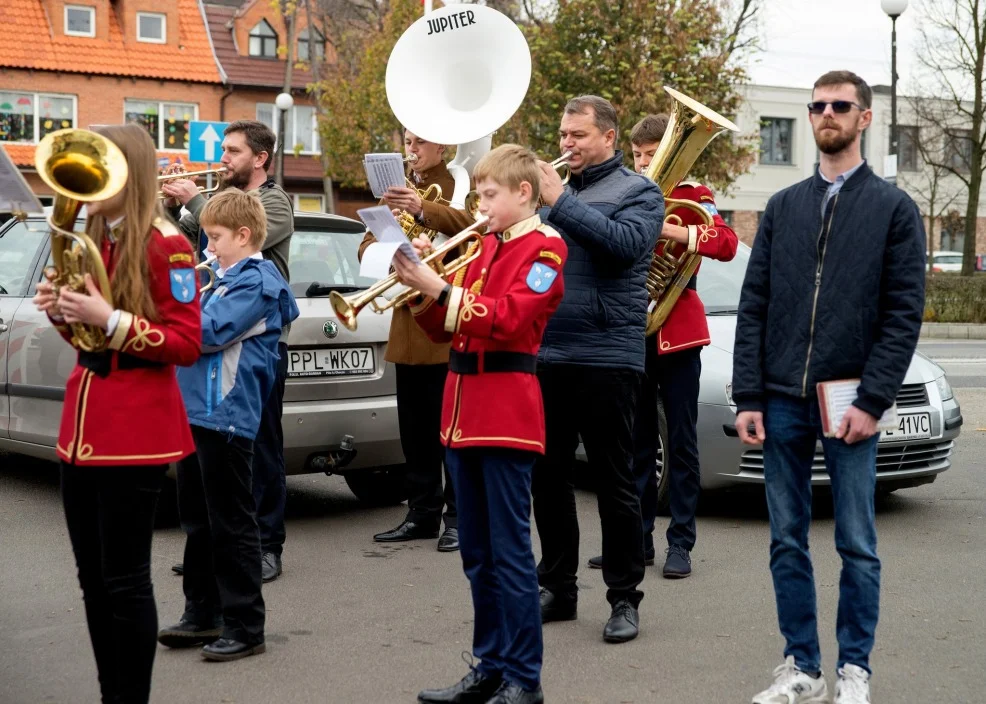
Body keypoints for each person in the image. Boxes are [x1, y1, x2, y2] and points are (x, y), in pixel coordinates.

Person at [732, 70, 926, 704]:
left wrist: (873, 400)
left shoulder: (894, 209)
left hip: (849, 400)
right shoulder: (784, 206)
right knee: (786, 537)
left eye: (840, 105)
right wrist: (749, 396)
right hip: (782, 398)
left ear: (864, 118)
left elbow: (903, 313)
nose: (826, 114)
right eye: (816, 106)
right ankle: (802, 667)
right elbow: (754, 302)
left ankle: (854, 672)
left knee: (856, 542)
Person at [33, 123, 201, 703]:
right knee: (92, 582)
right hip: (82, 425)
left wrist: (108, 318)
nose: (84, 185)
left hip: (136, 430)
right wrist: (62, 310)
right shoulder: (98, 237)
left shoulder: (167, 244)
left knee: (125, 581)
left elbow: (185, 343)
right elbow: (89, 338)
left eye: (98, 170)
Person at [395, 144, 567, 704]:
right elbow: (446, 330)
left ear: (524, 193)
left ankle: (524, 677)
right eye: (478, 196)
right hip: (461, 410)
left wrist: (440, 287)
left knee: (511, 554)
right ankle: (491, 666)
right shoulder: (485, 244)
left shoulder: (546, 247)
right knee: (476, 553)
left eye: (489, 196)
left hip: (506, 412)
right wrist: (421, 286)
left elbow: (511, 319)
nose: (481, 206)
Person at [533, 95, 664, 643]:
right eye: (563, 135)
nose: (567, 144)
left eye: (578, 135)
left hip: (608, 355)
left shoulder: (640, 191)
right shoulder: (547, 201)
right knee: (547, 478)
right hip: (547, 352)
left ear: (608, 137)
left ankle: (623, 598)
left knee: (614, 482)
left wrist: (558, 201)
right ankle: (558, 587)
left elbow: (624, 248)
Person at [586, 114, 738, 578]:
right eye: (638, 156)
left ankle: (681, 543)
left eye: (652, 155)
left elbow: (727, 244)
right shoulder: (623, 192)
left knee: (683, 442)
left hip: (678, 331)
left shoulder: (693, 196)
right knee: (633, 443)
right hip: (631, 329)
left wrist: (673, 231)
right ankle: (637, 541)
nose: (645, 163)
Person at [158, 188, 299, 662]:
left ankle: (245, 625)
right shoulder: (218, 276)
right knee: (198, 521)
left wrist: (162, 306)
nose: (207, 247)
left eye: (215, 238)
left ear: (244, 235)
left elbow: (206, 333)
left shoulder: (257, 281)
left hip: (227, 415)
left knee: (233, 523)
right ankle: (203, 613)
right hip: (195, 411)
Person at [163, 120, 293, 583]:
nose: (223, 158)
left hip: (256, 344)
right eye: (223, 149)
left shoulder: (274, 202)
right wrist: (171, 202)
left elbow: (242, 232)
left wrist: (197, 202)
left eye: (233, 151)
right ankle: (212, 544)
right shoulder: (220, 204)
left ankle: (265, 545)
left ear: (259, 158)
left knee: (261, 450)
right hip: (213, 351)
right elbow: (184, 245)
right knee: (207, 465)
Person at [360, 128, 477, 552]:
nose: (410, 151)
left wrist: (423, 209)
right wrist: (389, 248)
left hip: (446, 322)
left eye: (419, 143)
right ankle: (421, 513)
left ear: (442, 146)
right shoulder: (396, 193)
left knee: (451, 431)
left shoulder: (462, 184)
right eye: (407, 143)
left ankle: (458, 518)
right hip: (408, 323)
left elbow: (477, 227)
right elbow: (366, 246)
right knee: (416, 433)